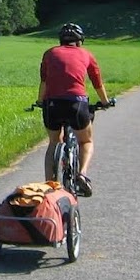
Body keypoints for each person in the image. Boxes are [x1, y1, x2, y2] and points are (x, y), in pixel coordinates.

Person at [37, 23, 111, 197]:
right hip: (76, 104)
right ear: (80, 41)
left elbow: (44, 82)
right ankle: (82, 174)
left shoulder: (50, 53)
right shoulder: (87, 55)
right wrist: (105, 102)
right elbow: (97, 83)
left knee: (53, 142)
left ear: (61, 40)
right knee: (85, 141)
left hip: (52, 105)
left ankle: (50, 185)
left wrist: (40, 101)